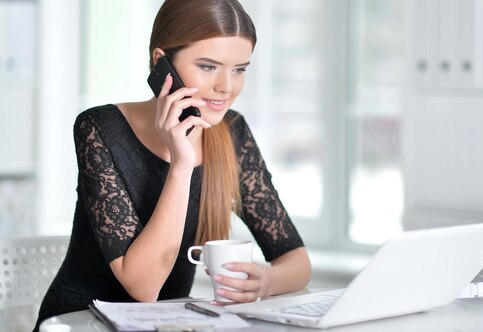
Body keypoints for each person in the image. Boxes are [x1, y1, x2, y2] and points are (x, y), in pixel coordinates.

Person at [34, 0, 311, 329]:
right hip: (80, 321)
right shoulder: (98, 128)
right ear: (161, 63)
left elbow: (297, 261)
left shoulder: (232, 133)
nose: (227, 86)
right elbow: (145, 286)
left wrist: (265, 281)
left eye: (239, 69)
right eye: (209, 66)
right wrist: (182, 163)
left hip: (165, 325)